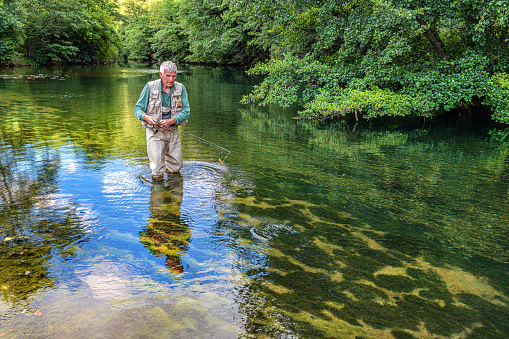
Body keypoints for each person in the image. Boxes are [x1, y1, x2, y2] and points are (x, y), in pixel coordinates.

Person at [133, 61, 190, 180]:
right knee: (157, 168)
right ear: (161, 74)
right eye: (167, 76)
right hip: (155, 132)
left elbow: (186, 111)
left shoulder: (180, 88)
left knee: (176, 167)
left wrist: (172, 120)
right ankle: (158, 193)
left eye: (174, 76)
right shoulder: (150, 87)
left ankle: (173, 191)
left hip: (173, 131)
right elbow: (137, 109)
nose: (171, 79)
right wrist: (146, 117)